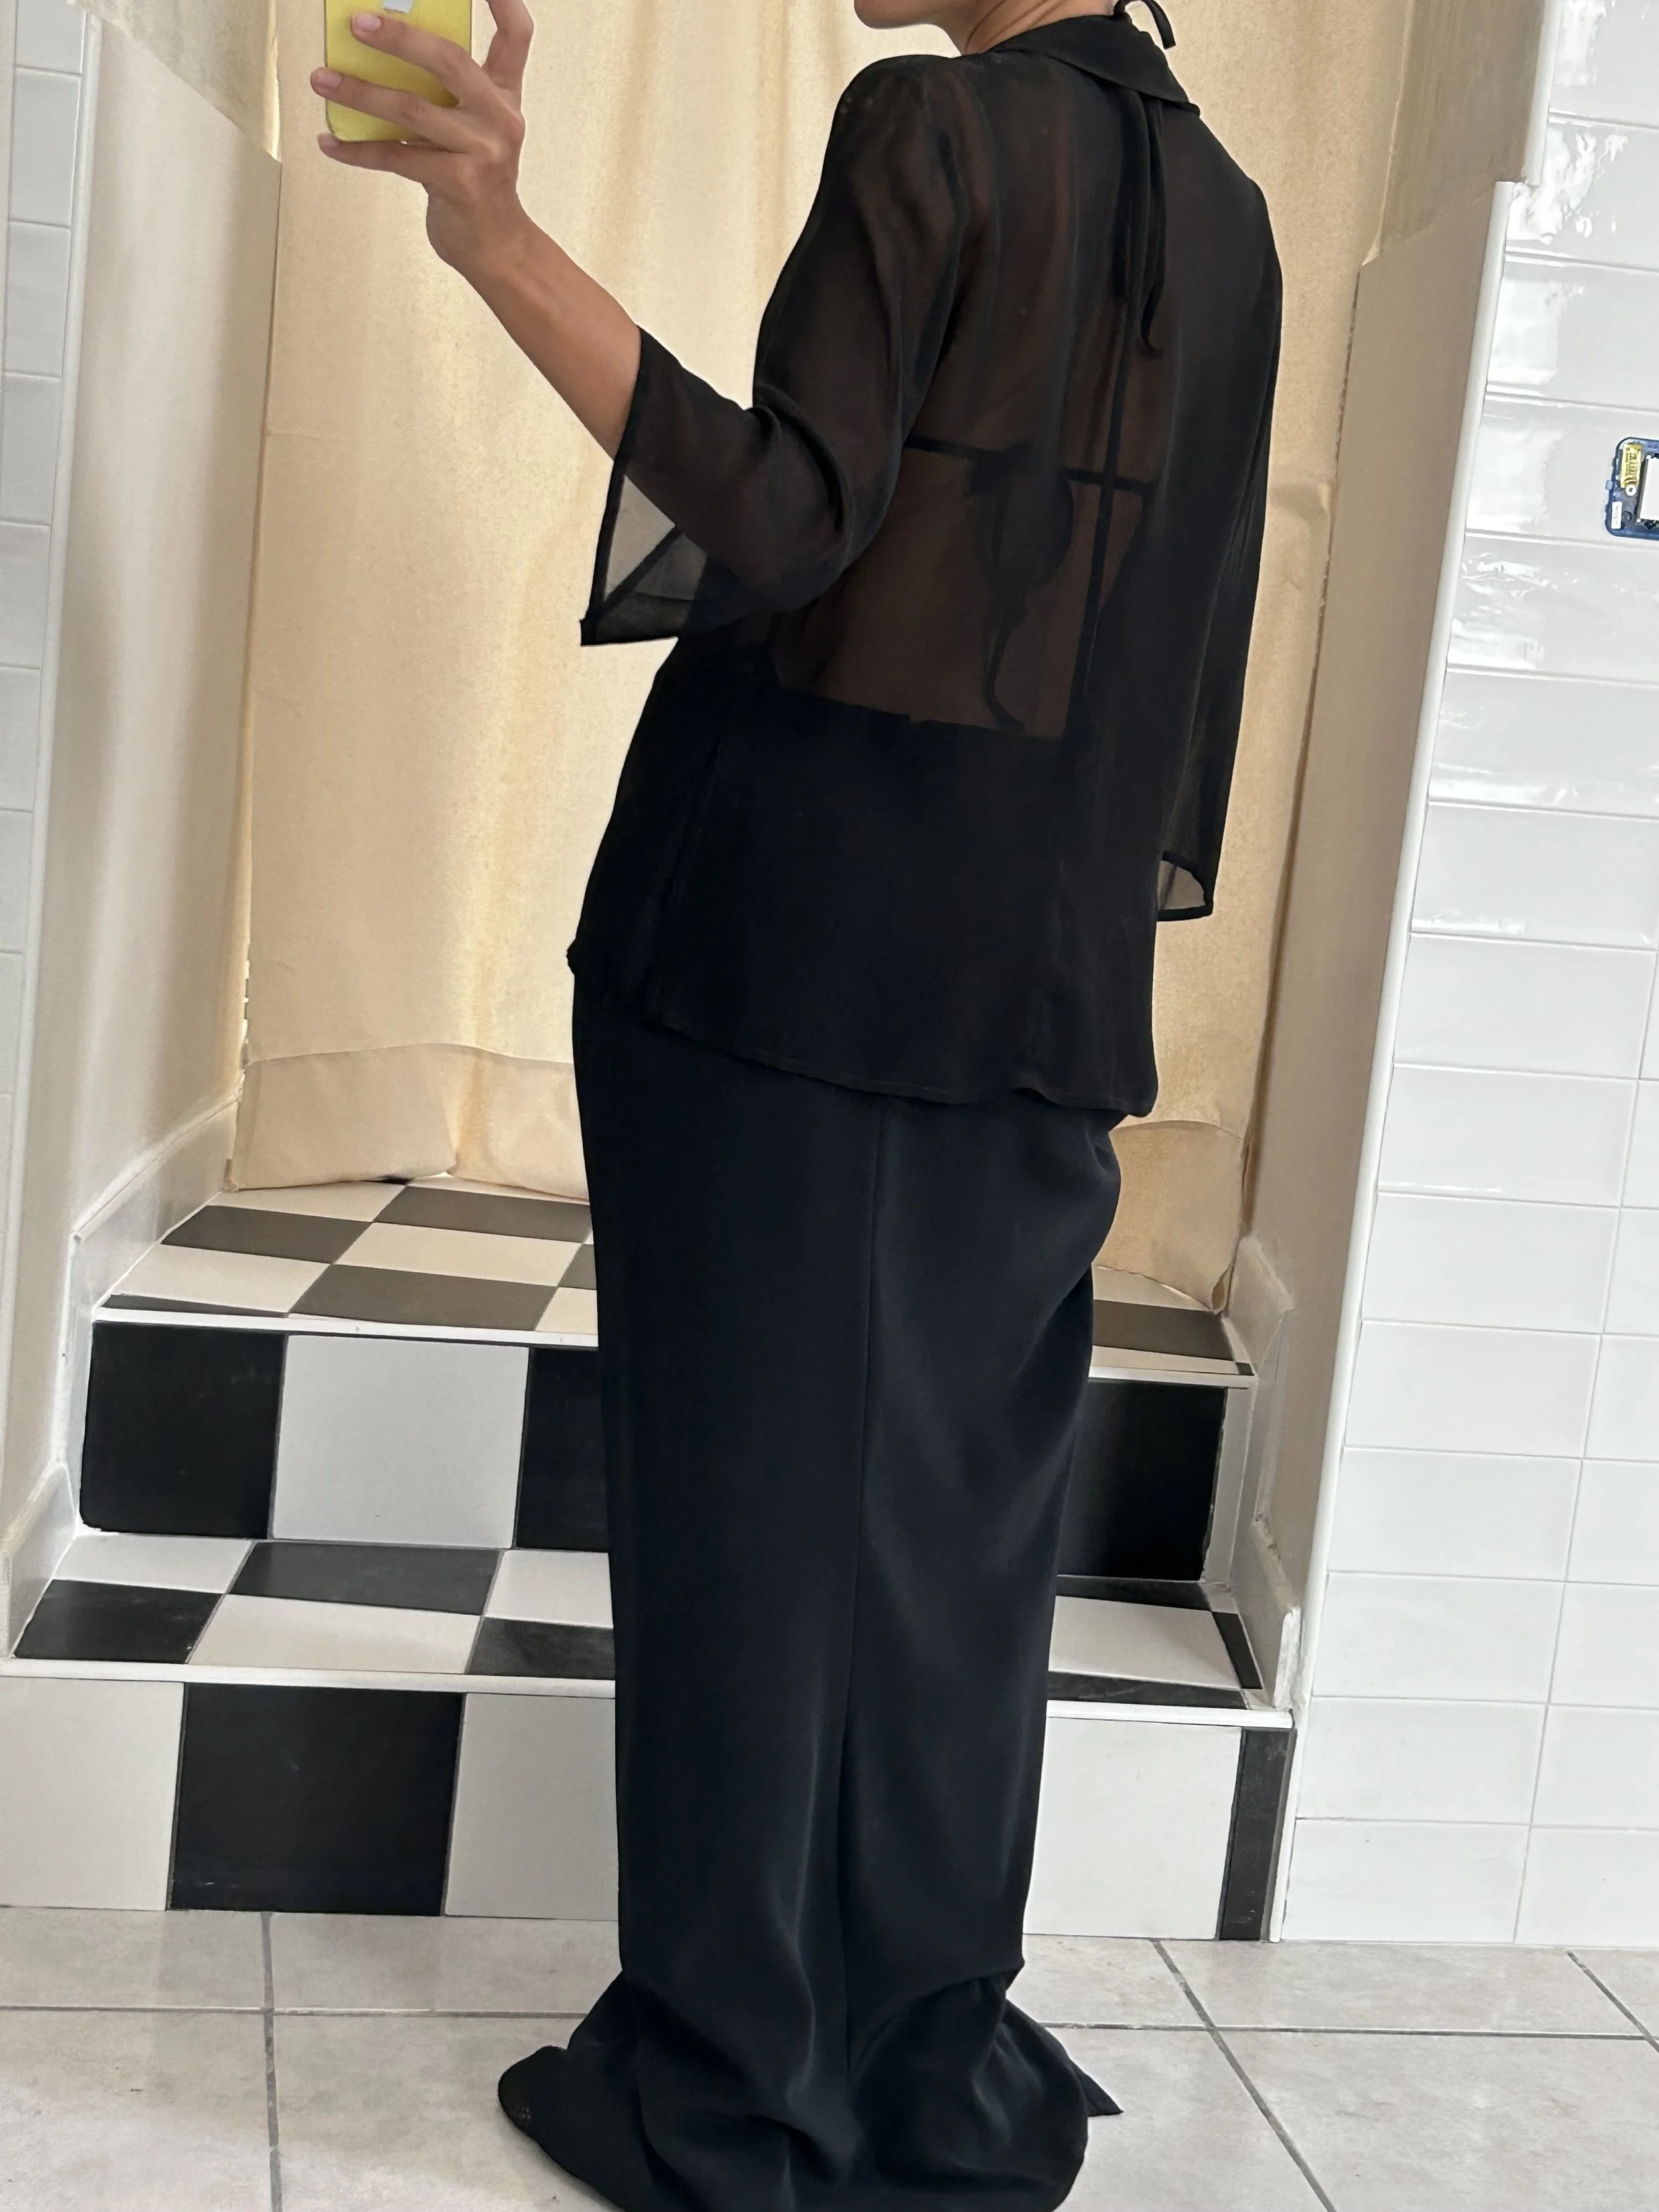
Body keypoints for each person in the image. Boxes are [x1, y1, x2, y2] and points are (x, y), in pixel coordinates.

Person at [313, 3, 1279, 2205]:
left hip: (776, 962)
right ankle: (924, 2054)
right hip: (1037, 994)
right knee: (949, 1557)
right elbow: (1159, 646)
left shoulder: (926, 121)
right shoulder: (1224, 207)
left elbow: (778, 516)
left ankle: (736, 2082)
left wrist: (494, 234)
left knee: (746, 1532)